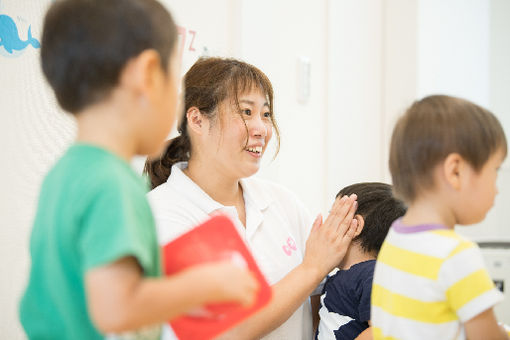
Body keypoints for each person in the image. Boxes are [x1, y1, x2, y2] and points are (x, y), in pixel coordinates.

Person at [19, 2, 258, 339]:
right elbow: (116, 306)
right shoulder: (113, 183)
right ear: (147, 75)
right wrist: (206, 284)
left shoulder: (65, 174)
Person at [145, 56, 358, 340]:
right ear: (197, 120)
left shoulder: (282, 203)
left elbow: (317, 305)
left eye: (266, 114)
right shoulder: (163, 214)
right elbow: (227, 330)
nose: (261, 129)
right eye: (246, 112)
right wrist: (313, 267)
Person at [372, 95, 509, 339]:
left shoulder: (395, 239)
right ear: (455, 171)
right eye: (495, 170)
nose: (498, 188)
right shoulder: (457, 255)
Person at [316, 182, 406, 340]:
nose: (325, 226)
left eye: (332, 216)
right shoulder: (345, 276)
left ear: (354, 225)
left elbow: (383, 330)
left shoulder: (373, 275)